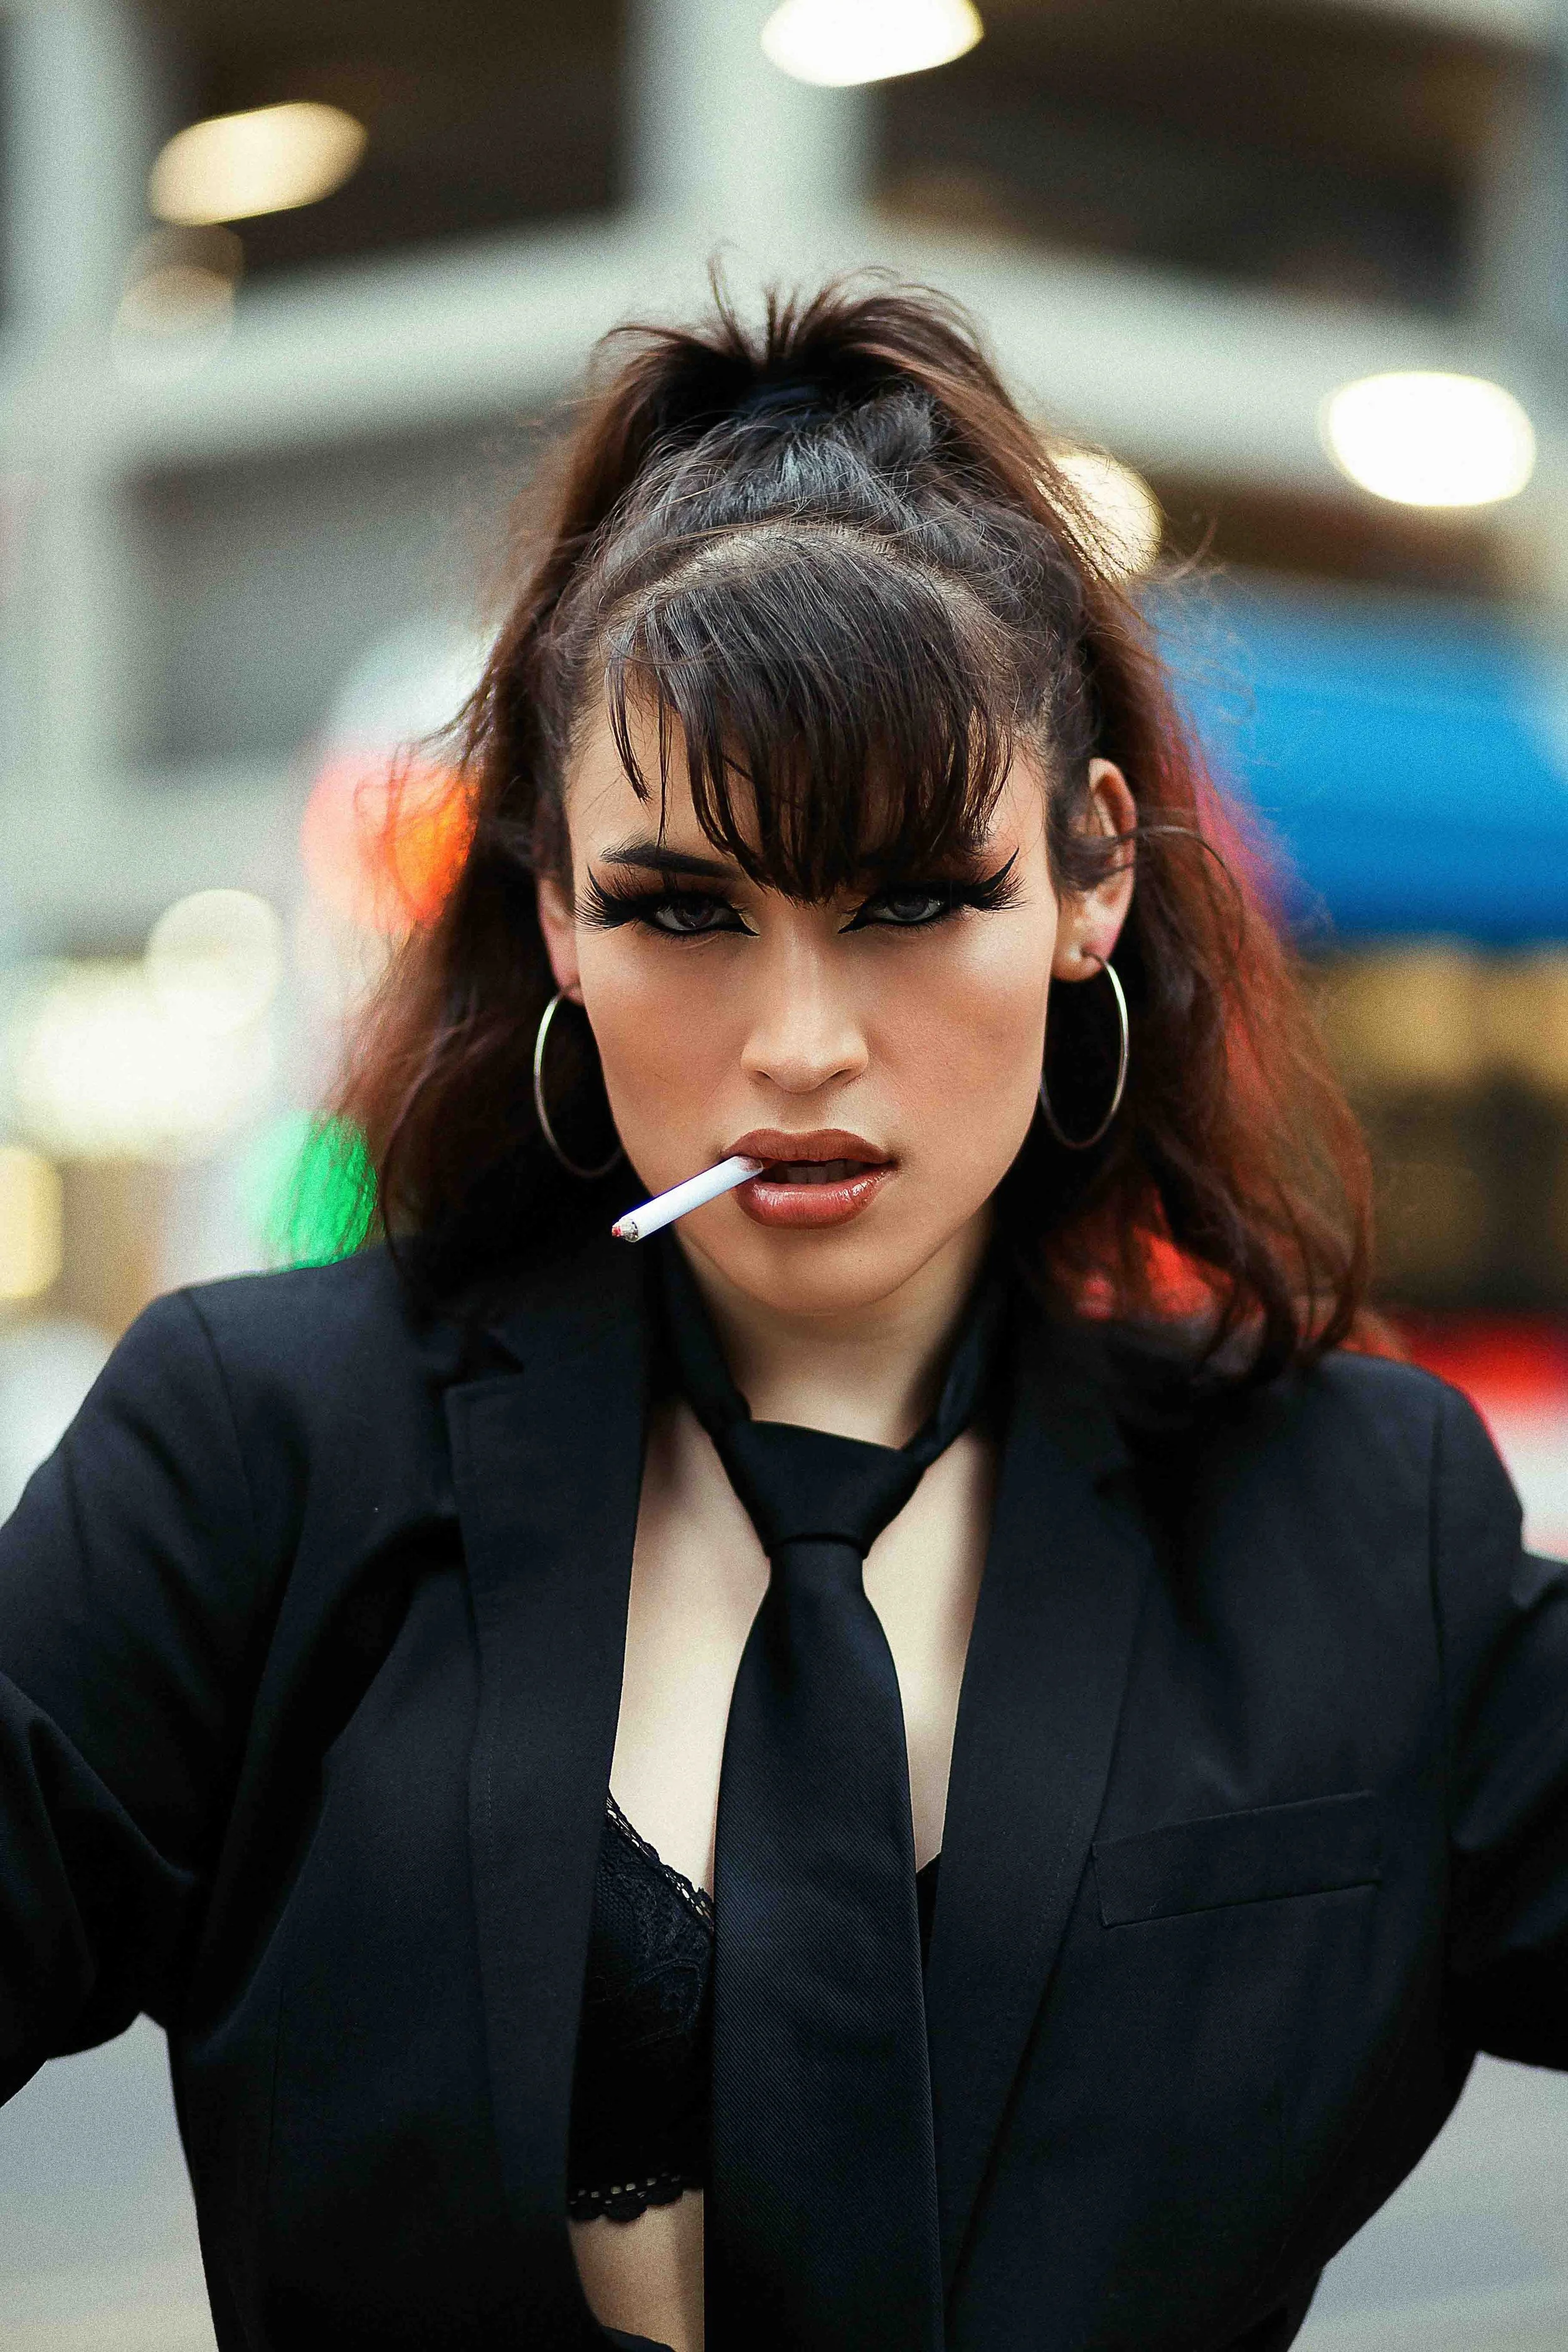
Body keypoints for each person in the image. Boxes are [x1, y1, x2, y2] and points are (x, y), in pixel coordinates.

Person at [0, 277, 1563, 2352]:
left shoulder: (1363, 1519)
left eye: (914, 899)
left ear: (1088, 876)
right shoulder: (253, 1453)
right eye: (680, 911)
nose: (800, 1042)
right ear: (553, 906)